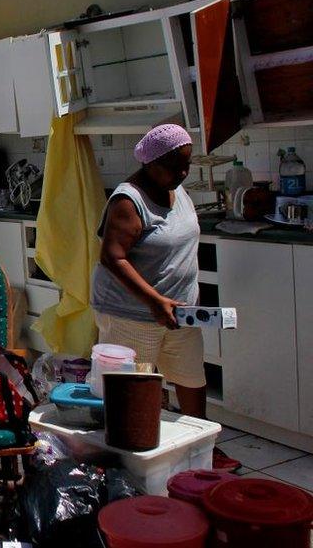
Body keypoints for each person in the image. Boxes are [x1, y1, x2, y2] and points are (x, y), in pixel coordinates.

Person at [91, 124, 238, 470]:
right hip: (132, 315)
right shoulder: (129, 201)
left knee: (191, 379)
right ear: (150, 164)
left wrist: (169, 304)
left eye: (187, 165)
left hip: (180, 313)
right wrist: (155, 301)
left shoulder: (176, 188)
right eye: (175, 167)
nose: (183, 173)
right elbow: (112, 257)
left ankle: (202, 447)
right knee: (132, 391)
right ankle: (130, 459)